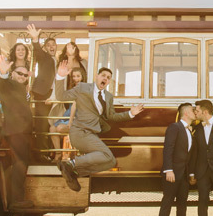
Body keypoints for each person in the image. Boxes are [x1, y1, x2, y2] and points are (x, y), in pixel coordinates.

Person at [55, 62, 145, 192]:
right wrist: (60, 76)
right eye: (103, 75)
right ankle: (71, 164)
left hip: (92, 134)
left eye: (108, 78)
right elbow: (61, 97)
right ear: (96, 76)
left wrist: (131, 113)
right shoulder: (82, 87)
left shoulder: (108, 97)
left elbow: (111, 116)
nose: (105, 79)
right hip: (80, 132)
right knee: (106, 155)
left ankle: (74, 172)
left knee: (110, 161)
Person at [156, 103, 196, 216]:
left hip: (184, 176)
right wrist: (168, 170)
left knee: (182, 206)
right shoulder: (175, 127)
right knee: (166, 204)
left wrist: (191, 174)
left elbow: (189, 155)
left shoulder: (189, 130)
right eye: (193, 110)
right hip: (172, 174)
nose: (195, 113)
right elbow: (168, 148)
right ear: (186, 113)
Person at [0, 55, 34, 208]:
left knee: (22, 163)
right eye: (19, 73)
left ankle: (16, 198)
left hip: (23, 132)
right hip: (16, 131)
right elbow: (1, 84)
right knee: (20, 163)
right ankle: (16, 200)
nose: (23, 77)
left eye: (25, 75)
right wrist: (3, 73)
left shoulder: (21, 88)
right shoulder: (8, 84)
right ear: (12, 73)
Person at [26, 25, 58, 160]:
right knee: (41, 124)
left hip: (52, 94)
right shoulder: (45, 57)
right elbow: (38, 52)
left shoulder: (56, 60)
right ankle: (41, 153)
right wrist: (35, 39)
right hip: (42, 94)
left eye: (53, 44)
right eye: (48, 45)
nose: (51, 47)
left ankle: (49, 152)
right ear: (45, 47)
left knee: (50, 124)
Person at [48, 68, 83, 162]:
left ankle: (68, 153)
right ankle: (58, 153)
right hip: (69, 113)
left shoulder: (84, 89)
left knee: (60, 128)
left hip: (78, 115)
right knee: (52, 128)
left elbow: (75, 106)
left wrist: (70, 122)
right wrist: (52, 100)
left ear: (83, 77)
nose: (76, 79)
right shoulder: (72, 89)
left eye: (78, 76)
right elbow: (62, 96)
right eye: (74, 76)